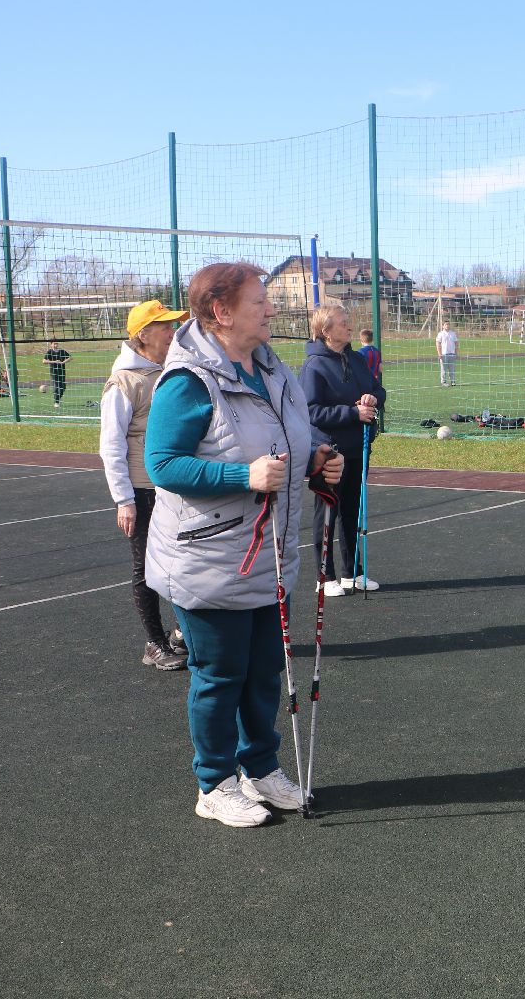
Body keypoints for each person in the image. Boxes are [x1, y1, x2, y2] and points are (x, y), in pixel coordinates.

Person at [144, 262, 341, 828]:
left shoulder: (273, 368)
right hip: (206, 557)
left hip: (268, 555)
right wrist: (243, 476)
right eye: (260, 302)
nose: (272, 310)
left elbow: (289, 440)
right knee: (220, 676)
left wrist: (317, 460)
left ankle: (261, 768)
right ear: (222, 313)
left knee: (263, 671)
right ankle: (214, 783)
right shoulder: (187, 381)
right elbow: (162, 464)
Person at [98, 299, 190, 671]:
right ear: (143, 335)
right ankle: (155, 643)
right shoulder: (123, 382)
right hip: (142, 490)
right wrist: (124, 500)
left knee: (185, 560)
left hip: (176, 484)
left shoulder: (172, 370)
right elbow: (111, 445)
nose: (172, 332)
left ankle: (182, 634)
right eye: (165, 326)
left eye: (173, 325)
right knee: (147, 568)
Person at [300, 301, 386, 595]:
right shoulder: (314, 366)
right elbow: (311, 411)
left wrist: (373, 399)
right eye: (343, 322)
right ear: (326, 331)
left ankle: (353, 572)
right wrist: (351, 413)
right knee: (327, 512)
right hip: (328, 452)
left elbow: (378, 389)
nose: (350, 326)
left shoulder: (357, 359)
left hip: (358, 449)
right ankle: (324, 577)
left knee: (352, 511)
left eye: (348, 321)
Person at [43, 340, 71, 409]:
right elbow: (44, 361)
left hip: (62, 372)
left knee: (63, 387)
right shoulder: (49, 352)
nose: (56, 345)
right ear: (51, 344)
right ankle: (56, 402)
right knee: (57, 387)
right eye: (54, 344)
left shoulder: (62, 351)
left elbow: (70, 357)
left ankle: (58, 399)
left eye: (57, 344)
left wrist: (63, 362)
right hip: (54, 372)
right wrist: (54, 361)